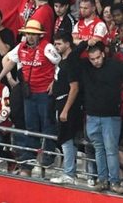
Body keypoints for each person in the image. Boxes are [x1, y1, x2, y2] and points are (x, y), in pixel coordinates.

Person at [0, 20, 61, 174]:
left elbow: (60, 63)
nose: (30, 37)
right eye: (28, 34)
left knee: (47, 124)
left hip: (44, 93)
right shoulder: (21, 47)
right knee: (30, 125)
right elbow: (10, 62)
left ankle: (48, 155)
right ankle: (29, 158)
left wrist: (55, 82)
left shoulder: (47, 48)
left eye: (34, 34)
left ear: (39, 36)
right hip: (29, 93)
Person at [81, 43, 123, 194]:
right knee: (99, 150)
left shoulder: (116, 65)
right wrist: (83, 43)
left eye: (97, 58)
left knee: (110, 150)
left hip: (110, 116)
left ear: (103, 54)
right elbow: (70, 60)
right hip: (92, 116)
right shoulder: (86, 66)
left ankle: (114, 182)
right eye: (92, 59)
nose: (95, 61)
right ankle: (103, 181)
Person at [48, 33, 81, 185]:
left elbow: (74, 88)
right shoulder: (63, 62)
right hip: (59, 102)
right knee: (67, 140)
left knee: (66, 139)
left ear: (68, 44)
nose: (56, 47)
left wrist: (66, 109)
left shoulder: (71, 63)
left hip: (66, 104)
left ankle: (69, 173)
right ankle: (70, 171)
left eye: (59, 44)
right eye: (55, 44)